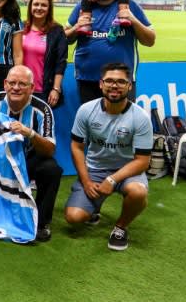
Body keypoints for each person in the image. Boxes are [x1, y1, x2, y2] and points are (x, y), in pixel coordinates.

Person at [64, 62, 153, 251]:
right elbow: (77, 147)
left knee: (138, 192)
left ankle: (121, 227)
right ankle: (93, 210)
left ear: (129, 86)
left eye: (121, 82)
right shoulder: (86, 110)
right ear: (100, 84)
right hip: (95, 170)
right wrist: (86, 181)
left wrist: (112, 179)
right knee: (74, 218)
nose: (114, 86)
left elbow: (142, 161)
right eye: (110, 81)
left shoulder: (140, 117)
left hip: (127, 171)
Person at [0, 65, 62, 242]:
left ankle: (40, 223)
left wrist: (29, 133)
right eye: (12, 83)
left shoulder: (42, 109)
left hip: (26, 162)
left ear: (32, 88)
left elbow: (50, 149)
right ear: (5, 84)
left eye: (22, 84)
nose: (16, 88)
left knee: (51, 170)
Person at [65, 0, 155, 104]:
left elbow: (150, 40)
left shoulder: (129, 5)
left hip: (122, 81)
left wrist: (133, 19)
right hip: (87, 80)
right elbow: (65, 39)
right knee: (92, 123)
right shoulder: (82, 7)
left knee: (123, 124)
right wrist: (77, 26)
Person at [22, 0, 67, 107]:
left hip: (43, 90)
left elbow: (61, 62)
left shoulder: (57, 31)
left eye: (44, 5)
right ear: (30, 6)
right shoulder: (20, 27)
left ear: (49, 9)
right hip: (20, 88)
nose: (39, 8)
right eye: (36, 4)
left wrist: (56, 89)